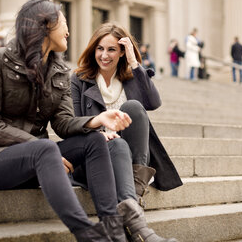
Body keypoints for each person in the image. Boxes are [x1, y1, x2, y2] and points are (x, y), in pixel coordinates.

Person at [0, 0, 135, 242]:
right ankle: (88, 234)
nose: (68, 31)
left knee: (95, 141)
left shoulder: (60, 72)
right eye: (63, 23)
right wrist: (42, 149)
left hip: (39, 158)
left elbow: (62, 123)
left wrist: (96, 120)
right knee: (44, 148)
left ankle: (114, 230)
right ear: (45, 25)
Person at [71, 22, 182, 242]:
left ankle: (133, 203)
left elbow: (153, 102)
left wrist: (134, 61)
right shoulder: (79, 79)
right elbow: (72, 121)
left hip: (129, 157)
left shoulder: (129, 78)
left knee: (134, 108)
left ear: (121, 52)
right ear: (93, 49)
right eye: (100, 48)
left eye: (111, 49)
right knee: (117, 143)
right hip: (94, 153)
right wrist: (98, 134)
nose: (104, 55)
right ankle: (137, 224)